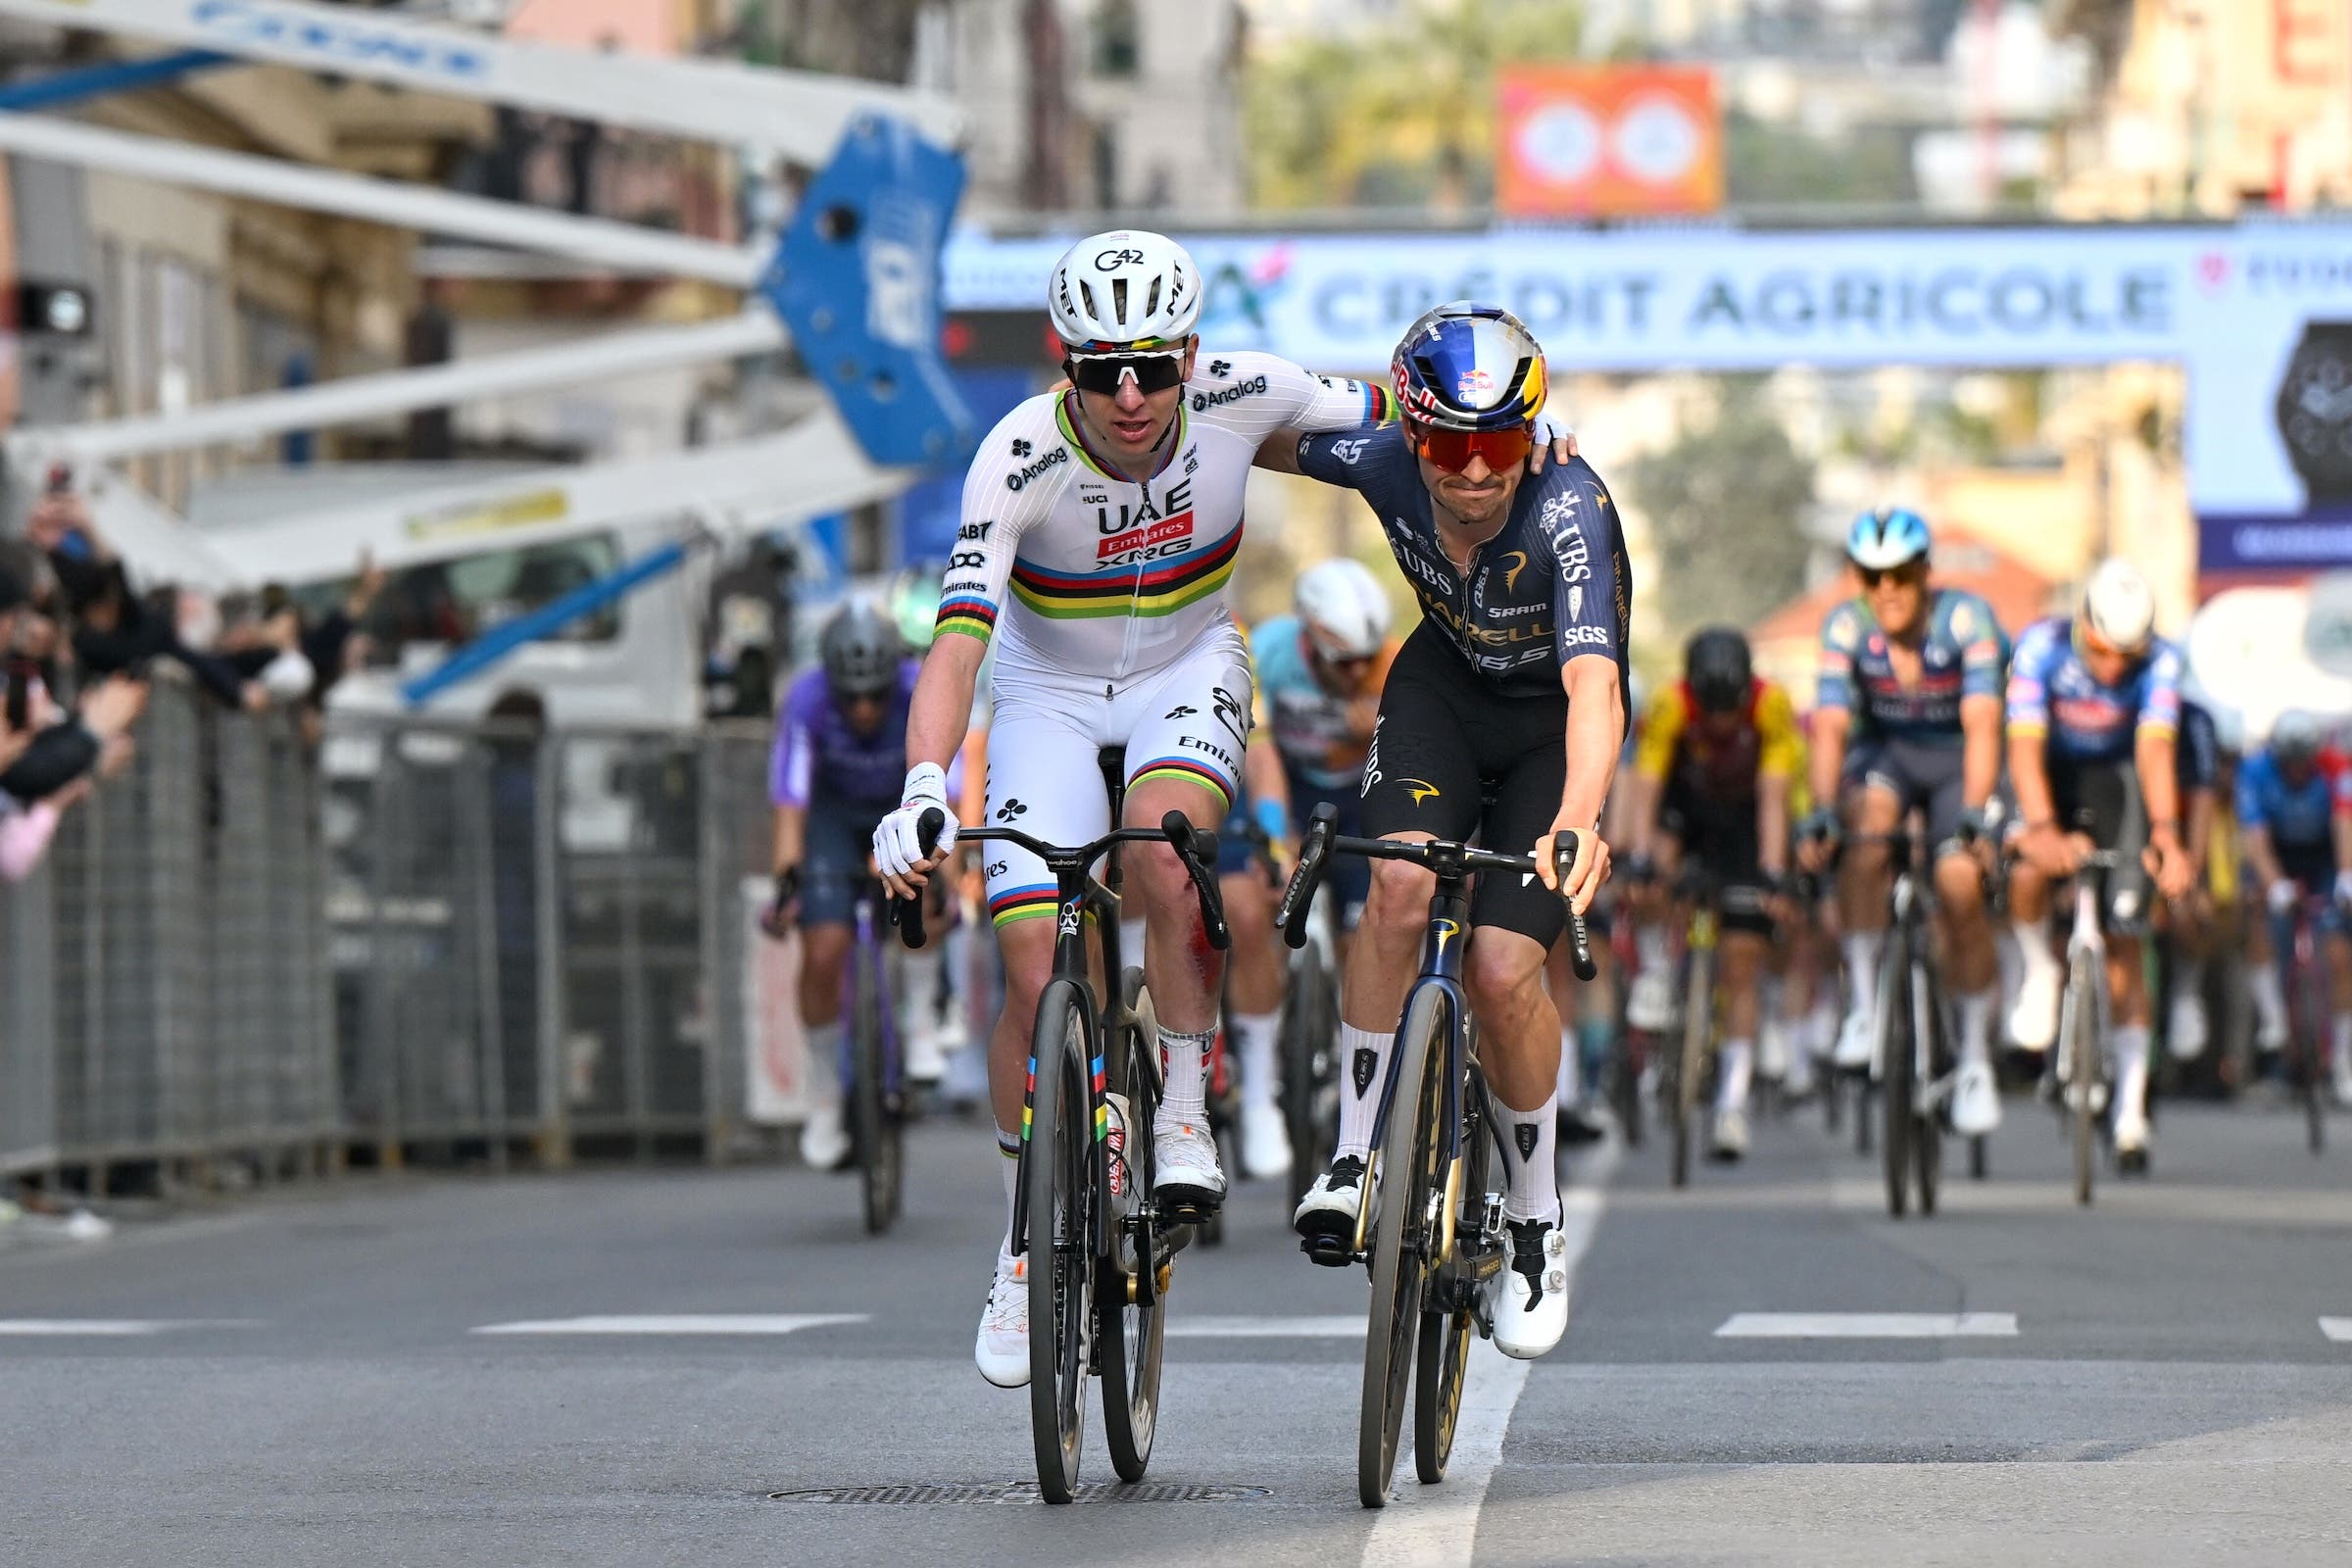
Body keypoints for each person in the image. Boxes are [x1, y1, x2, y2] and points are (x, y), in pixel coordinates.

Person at [868, 229, 1411, 1389]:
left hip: (1183, 670)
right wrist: (922, 785)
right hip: (1045, 692)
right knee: (1028, 956)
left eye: (1153, 368)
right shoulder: (1014, 458)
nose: (1128, 393)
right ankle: (1025, 1241)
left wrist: (1521, 435)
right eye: (1100, 368)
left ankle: (1178, 1109)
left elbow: (1400, 410)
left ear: (1192, 358)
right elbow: (956, 649)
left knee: (1169, 863)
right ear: (1063, 361)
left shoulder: (1244, 396)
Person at [1258, 301, 1626, 1361]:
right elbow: (1251, 427)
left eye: (1502, 441)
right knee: (1400, 886)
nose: (1477, 472)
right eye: (1454, 446)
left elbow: (1596, 688)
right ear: (1412, 435)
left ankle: (1533, 1222)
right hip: (1442, 694)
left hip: (1557, 725)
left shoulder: (1570, 506)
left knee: (1509, 969)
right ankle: (1353, 1155)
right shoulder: (1378, 456)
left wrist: (1574, 822)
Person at [1796, 508, 2009, 1136]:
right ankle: (1863, 1001)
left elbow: (1982, 724)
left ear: (1924, 573)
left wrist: (1974, 816)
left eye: (1901, 575)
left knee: (1960, 886)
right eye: (1872, 576)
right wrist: (1819, 811)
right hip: (1886, 755)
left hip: (1955, 762)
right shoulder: (1844, 627)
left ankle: (1973, 1059)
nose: (1887, 590)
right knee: (1862, 838)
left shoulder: (1967, 620)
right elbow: (1831, 727)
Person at [2003, 558, 2193, 1171]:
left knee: (2127, 939)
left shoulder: (2164, 660)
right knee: (2027, 865)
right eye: (2101, 651)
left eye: (2126, 658)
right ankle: (2038, 969)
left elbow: (2154, 753)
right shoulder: (2040, 647)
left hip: (2119, 781)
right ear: (2081, 623)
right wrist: (2040, 829)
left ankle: (2131, 1109)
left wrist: (2167, 836)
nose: (2113, 669)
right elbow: (2024, 748)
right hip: (2050, 774)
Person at [766, 603, 948, 1171]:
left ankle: (921, 1017)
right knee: (823, 946)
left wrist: (948, 865)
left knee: (928, 889)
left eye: (875, 695)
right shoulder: (806, 700)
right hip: (833, 819)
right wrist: (788, 880)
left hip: (902, 804)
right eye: (852, 698)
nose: (865, 709)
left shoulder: (917, 689)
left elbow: (951, 781)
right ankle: (823, 1090)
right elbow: (791, 803)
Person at [1621, 628, 1801, 1162]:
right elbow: (1646, 785)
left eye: (1732, 709)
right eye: (1712, 709)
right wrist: (1638, 854)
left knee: (1741, 961)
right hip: (1687, 807)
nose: (1722, 721)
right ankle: (1655, 969)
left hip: (1745, 818)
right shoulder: (1671, 703)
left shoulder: (1773, 705)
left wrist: (1771, 870)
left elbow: (1774, 796)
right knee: (1653, 863)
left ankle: (1731, 1103)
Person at [2236, 709, 2352, 1105]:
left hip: (2322, 856)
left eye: (2307, 764)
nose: (2300, 772)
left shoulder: (2336, 766)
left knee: (2339, 956)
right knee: (2255, 911)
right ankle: (2274, 1022)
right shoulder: (2254, 772)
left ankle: (2343, 1063)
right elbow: (2255, 836)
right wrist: (2275, 886)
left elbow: (2345, 821)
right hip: (2276, 855)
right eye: (2292, 765)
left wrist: (2346, 876)